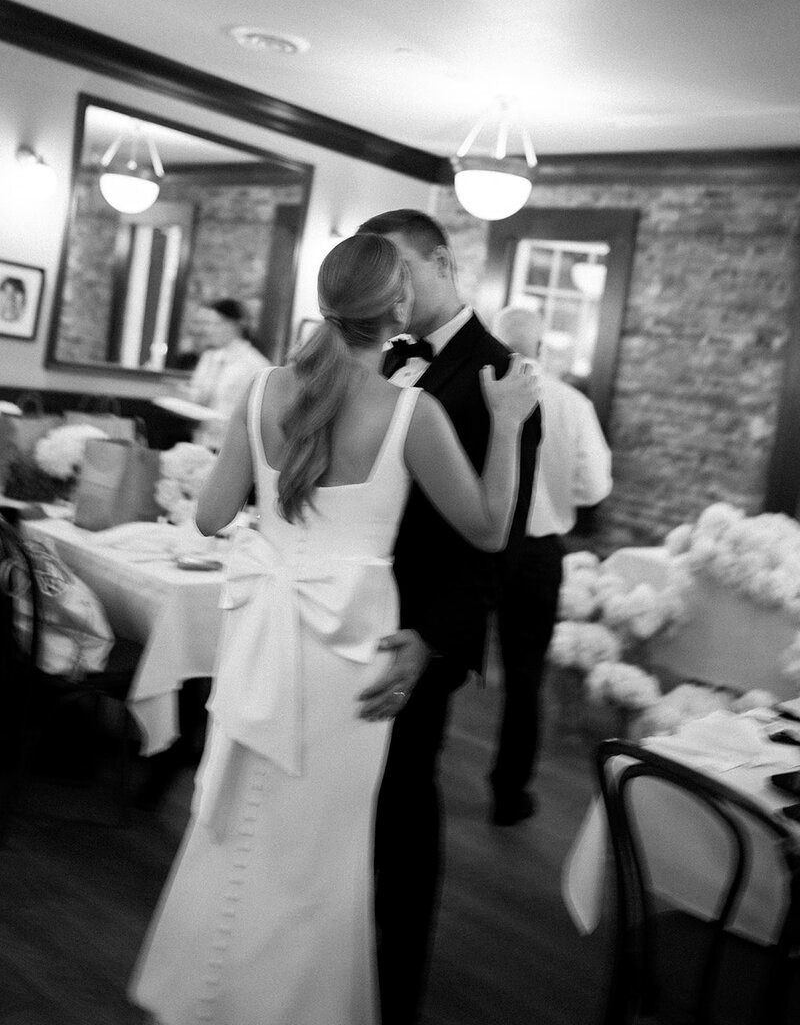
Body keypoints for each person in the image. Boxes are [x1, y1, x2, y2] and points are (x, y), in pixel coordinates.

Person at [128, 233, 538, 1025]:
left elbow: (211, 517)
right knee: (320, 848)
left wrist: (279, 528)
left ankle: (204, 996)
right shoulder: (409, 412)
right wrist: (511, 423)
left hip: (263, 635)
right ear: (397, 309)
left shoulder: (265, 390)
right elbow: (489, 528)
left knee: (236, 821)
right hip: (347, 650)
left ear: (323, 302)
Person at [353, 210, 542, 1025]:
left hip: (420, 633)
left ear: (443, 262)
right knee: (344, 801)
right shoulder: (379, 359)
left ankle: (398, 992)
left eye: (401, 270)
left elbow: (491, 548)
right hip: (343, 615)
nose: (390, 291)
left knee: (402, 810)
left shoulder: (501, 377)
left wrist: (431, 640)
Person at [489, 304, 613, 825]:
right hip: (537, 552)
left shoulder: (477, 395)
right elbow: (595, 486)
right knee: (524, 676)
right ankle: (508, 794)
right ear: (540, 348)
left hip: (475, 544)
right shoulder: (571, 403)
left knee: (444, 661)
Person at [183, 298, 268, 448]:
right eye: (207, 324)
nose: (209, 330)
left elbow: (259, 414)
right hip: (202, 441)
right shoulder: (209, 357)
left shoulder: (256, 364)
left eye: (215, 324)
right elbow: (198, 396)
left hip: (232, 446)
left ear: (235, 325)